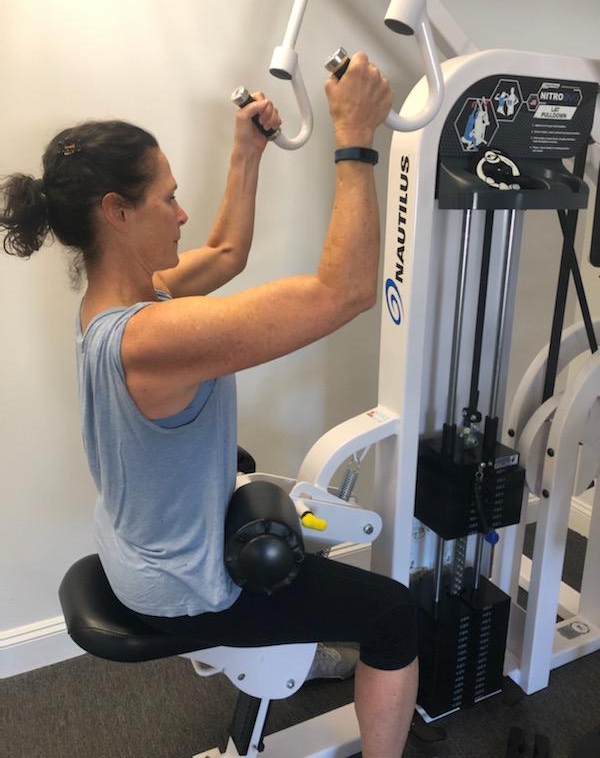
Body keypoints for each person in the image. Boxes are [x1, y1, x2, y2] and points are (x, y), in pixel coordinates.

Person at [1, 52, 418, 758]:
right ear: (117, 211)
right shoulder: (153, 337)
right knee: (396, 615)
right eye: (168, 197)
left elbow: (225, 251)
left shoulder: (120, 302)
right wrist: (356, 137)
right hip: (182, 588)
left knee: (284, 511)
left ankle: (295, 645)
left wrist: (245, 151)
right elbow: (341, 293)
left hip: (141, 550)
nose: (182, 210)